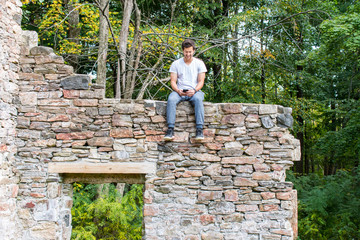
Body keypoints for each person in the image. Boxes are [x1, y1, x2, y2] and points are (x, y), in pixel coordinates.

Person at [164, 39, 207, 141]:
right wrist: (178, 90)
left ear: (193, 51)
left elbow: (201, 81)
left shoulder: (199, 63)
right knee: (171, 99)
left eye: (190, 52)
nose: (188, 54)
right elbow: (173, 82)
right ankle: (170, 130)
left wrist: (195, 90)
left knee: (198, 100)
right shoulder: (176, 64)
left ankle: (199, 130)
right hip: (180, 91)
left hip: (195, 91)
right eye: (186, 52)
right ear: (183, 51)